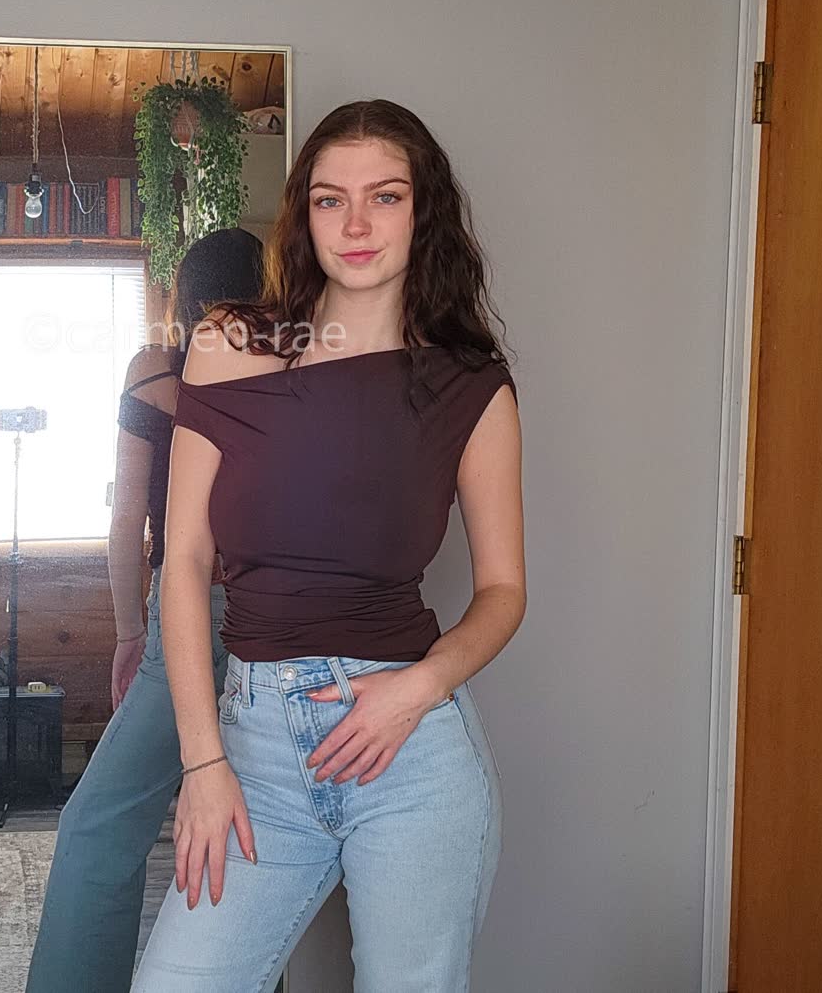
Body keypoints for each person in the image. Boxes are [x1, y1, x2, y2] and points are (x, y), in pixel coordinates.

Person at [129, 99, 525, 993]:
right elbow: (183, 561)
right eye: (329, 199)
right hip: (253, 748)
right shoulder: (228, 346)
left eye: (385, 197)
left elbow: (504, 590)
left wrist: (419, 688)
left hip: (412, 749)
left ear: (422, 212)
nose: (354, 225)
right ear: (303, 216)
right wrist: (202, 760)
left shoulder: (470, 386)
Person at [25, 228, 267, 993]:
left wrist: (130, 631)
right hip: (277, 621)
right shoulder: (291, 369)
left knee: (98, 826)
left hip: (187, 620)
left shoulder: (155, 372)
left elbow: (127, 519)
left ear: (183, 301)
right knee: (259, 825)